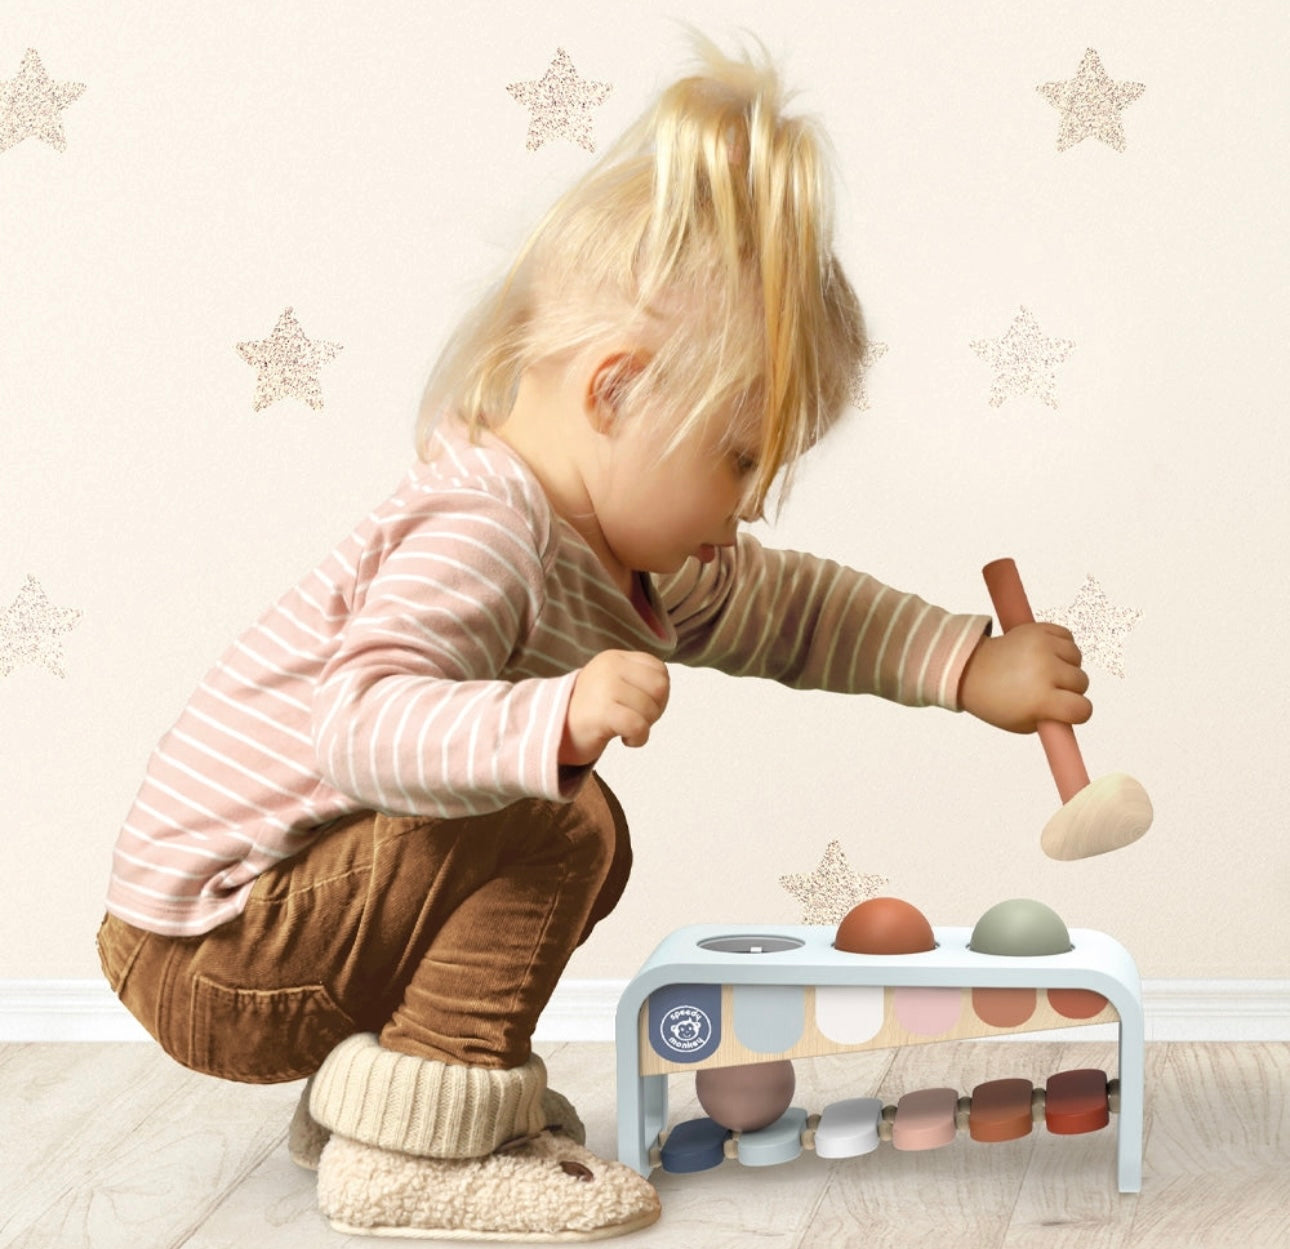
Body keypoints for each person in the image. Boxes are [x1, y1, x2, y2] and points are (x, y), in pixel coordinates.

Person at [96, 33, 1091, 1241]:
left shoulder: (622, 555)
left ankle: (378, 1099)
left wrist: (967, 661)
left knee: (577, 835)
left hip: (279, 920)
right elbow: (355, 728)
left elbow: (798, 613)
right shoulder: (483, 528)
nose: (752, 503)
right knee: (561, 820)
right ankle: (421, 1146)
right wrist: (549, 716)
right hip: (216, 938)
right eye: (739, 458)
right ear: (616, 392)